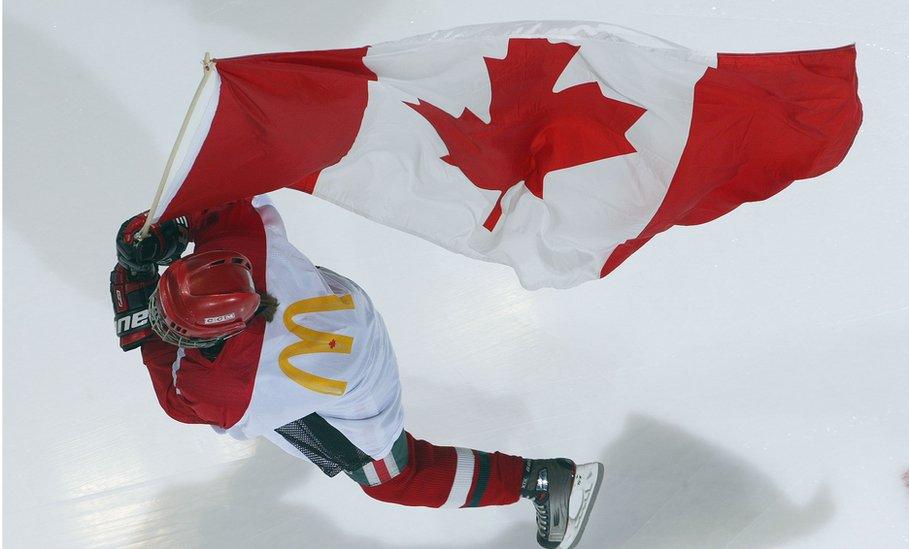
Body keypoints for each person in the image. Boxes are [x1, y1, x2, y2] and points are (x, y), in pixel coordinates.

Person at [110, 195, 602, 548]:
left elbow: (177, 399)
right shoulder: (244, 242)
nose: (159, 316)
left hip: (355, 384)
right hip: (345, 311)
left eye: (174, 326)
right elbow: (223, 197)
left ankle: (545, 480)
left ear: (213, 339)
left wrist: (139, 302)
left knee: (396, 478)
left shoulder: (225, 388)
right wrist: (173, 224)